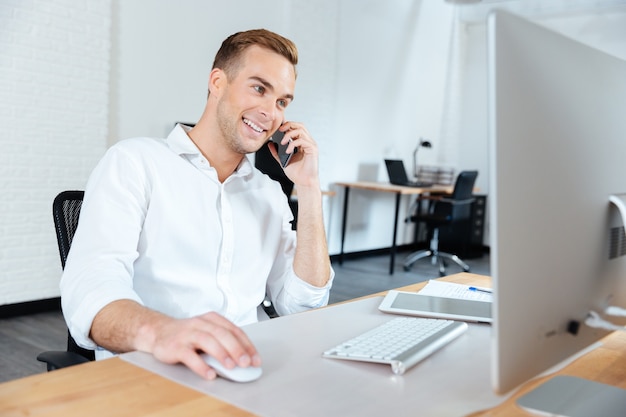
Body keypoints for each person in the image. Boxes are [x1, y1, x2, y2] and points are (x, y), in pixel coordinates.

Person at [60, 29, 334, 380]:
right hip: (155, 369)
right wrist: (163, 333)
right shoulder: (134, 162)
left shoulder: (269, 193)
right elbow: (89, 290)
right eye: (259, 88)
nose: (270, 112)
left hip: (250, 368)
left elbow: (302, 304)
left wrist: (309, 188)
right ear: (217, 82)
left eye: (282, 102)